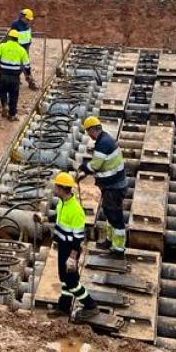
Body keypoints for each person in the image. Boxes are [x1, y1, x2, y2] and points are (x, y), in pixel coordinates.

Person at [49, 171, 98, 317]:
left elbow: (78, 238)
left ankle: (90, 305)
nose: (54, 189)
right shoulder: (62, 203)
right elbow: (58, 219)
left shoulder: (76, 210)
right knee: (64, 278)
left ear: (62, 188)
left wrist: (73, 257)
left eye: (56, 187)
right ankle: (64, 307)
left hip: (71, 249)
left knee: (71, 282)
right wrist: (44, 218)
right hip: (63, 246)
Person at [77, 115, 128, 254]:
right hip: (113, 186)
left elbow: (96, 165)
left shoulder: (103, 143)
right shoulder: (105, 139)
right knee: (109, 212)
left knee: (115, 216)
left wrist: (83, 167)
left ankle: (118, 248)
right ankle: (110, 241)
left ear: (93, 129)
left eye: (88, 132)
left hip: (114, 187)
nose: (89, 135)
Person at [0, 29, 30, 121]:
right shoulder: (21, 50)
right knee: (14, 95)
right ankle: (12, 114)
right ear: (17, 39)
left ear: (9, 37)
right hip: (15, 77)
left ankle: (4, 104)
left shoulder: (3, 46)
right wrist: (28, 75)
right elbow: (27, 65)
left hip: (3, 74)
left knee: (2, 90)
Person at [8, 8, 38, 90]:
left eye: (29, 20)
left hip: (26, 47)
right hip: (18, 48)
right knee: (22, 65)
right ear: (22, 17)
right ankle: (30, 81)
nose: (29, 21)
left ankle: (18, 79)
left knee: (24, 64)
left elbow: (27, 34)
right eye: (27, 19)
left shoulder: (27, 24)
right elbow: (12, 36)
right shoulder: (15, 24)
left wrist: (29, 42)